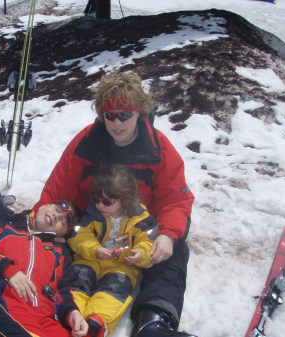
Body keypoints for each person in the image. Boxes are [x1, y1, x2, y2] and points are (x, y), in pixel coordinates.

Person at [34, 71, 196, 337]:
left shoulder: (159, 149)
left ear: (140, 113)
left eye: (125, 115)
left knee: (172, 251)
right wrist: (43, 224)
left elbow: (176, 200)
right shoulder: (87, 142)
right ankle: (55, 311)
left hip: (143, 227)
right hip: (95, 221)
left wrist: (167, 235)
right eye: (110, 116)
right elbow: (59, 186)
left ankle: (153, 321)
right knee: (58, 248)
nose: (117, 123)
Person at [0, 201, 89, 337]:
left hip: (45, 317)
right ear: (44, 206)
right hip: (5, 298)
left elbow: (62, 290)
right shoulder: (1, 227)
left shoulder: (59, 252)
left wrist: (71, 312)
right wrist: (6, 269)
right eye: (56, 209)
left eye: (63, 222)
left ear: (62, 237)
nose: (56, 216)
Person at [68, 163, 158, 336]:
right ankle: (71, 315)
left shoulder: (141, 219)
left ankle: (96, 323)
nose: (100, 205)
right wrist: (94, 249)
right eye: (96, 200)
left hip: (122, 266)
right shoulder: (92, 213)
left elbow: (149, 242)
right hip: (89, 260)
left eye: (107, 202)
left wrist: (140, 255)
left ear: (125, 198)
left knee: (114, 290)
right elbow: (78, 234)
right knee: (78, 281)